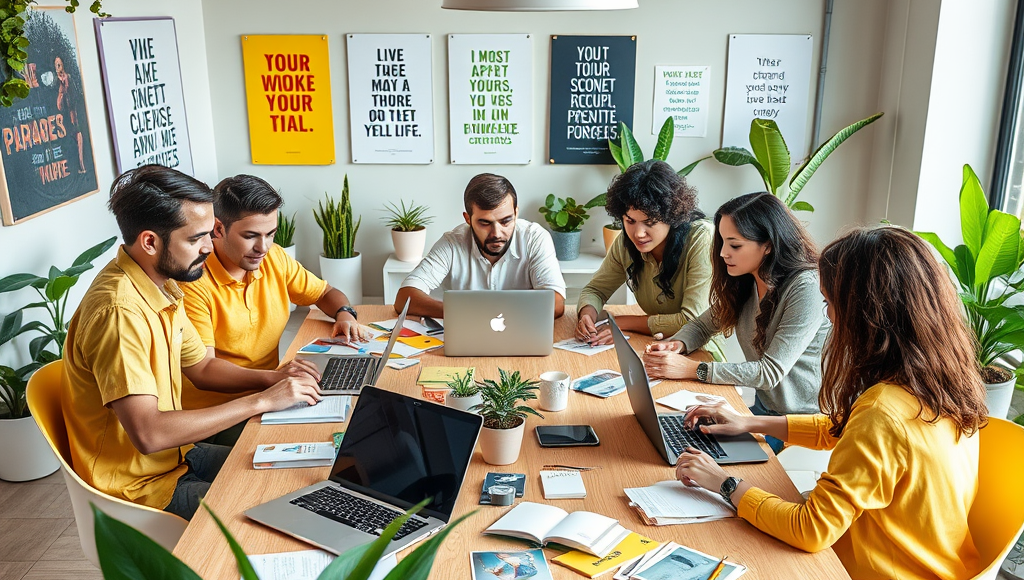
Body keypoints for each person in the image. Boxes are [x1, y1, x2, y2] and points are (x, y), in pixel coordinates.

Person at [676, 226, 987, 580]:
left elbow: (811, 530)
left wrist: (724, 482)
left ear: (865, 313)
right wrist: (751, 421)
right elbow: (845, 430)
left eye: (831, 302)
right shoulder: (938, 383)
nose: (827, 314)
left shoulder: (883, 410)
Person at [61, 166, 321, 521]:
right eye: (195, 238)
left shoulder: (162, 285)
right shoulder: (119, 313)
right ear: (150, 242)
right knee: (275, 513)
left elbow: (200, 366)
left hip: (179, 455)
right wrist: (262, 399)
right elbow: (149, 434)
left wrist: (274, 380)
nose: (208, 246)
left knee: (300, 478)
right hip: (142, 485)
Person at [643, 193, 829, 453]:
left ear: (768, 245)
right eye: (722, 243)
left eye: (735, 245)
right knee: (684, 438)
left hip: (802, 423)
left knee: (700, 459)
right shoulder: (748, 279)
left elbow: (769, 373)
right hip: (765, 411)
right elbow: (703, 325)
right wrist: (677, 345)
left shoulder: (806, 288)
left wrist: (692, 369)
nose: (722, 253)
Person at [181, 174, 369, 423]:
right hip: (220, 414)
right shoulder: (192, 282)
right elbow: (203, 371)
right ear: (218, 228)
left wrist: (345, 314)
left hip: (273, 394)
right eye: (250, 236)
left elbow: (325, 293)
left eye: (271, 234)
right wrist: (274, 378)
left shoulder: (274, 258)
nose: (264, 247)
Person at [574, 160, 722, 358]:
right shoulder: (625, 243)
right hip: (651, 345)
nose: (638, 233)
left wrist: (619, 322)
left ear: (672, 216)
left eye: (649, 222)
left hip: (699, 352)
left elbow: (691, 320)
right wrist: (587, 315)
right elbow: (595, 290)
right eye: (630, 221)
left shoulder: (701, 239)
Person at [394, 173, 566, 319]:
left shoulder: (534, 238)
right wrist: (463, 313)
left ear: (516, 213)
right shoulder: (452, 243)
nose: (497, 233)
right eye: (485, 223)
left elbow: (557, 304)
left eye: (506, 221)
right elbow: (404, 298)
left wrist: (486, 313)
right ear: (468, 219)